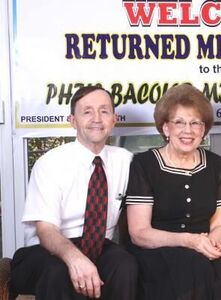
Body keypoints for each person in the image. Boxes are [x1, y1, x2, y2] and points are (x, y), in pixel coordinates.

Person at [10, 86, 138, 300]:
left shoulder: (126, 160)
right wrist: (75, 258)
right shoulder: (50, 163)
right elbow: (46, 230)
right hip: (46, 249)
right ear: (72, 120)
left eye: (104, 111)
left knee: (126, 265)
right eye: (87, 111)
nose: (97, 118)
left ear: (114, 119)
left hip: (100, 246)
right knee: (58, 272)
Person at [124, 83, 221, 299]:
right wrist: (190, 241)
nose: (187, 131)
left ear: (203, 130)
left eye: (195, 123)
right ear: (165, 128)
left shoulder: (214, 164)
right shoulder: (144, 164)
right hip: (158, 249)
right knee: (191, 270)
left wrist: (211, 244)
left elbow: (220, 224)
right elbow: (139, 233)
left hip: (204, 245)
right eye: (179, 122)